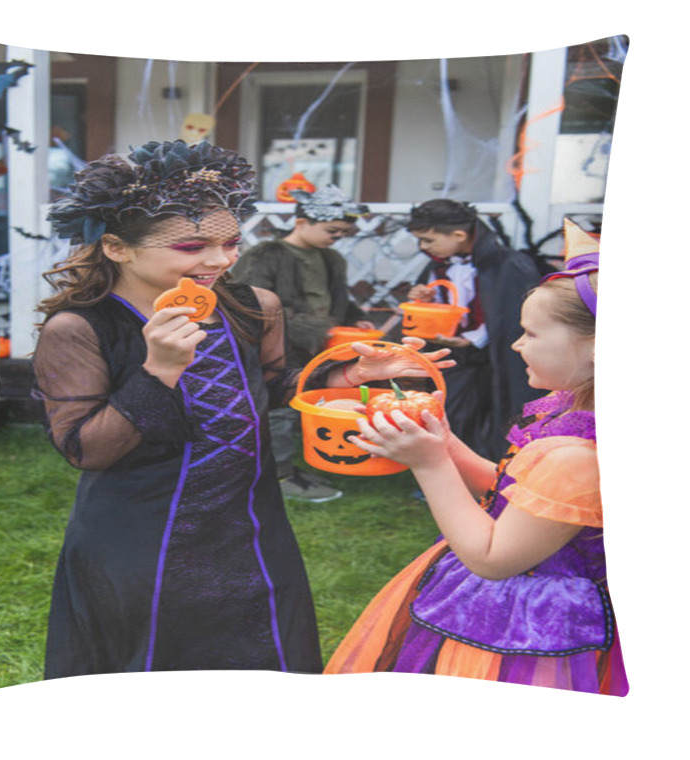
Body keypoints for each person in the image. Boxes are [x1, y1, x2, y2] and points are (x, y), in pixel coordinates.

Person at [34, 140, 451, 677]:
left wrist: (350, 375)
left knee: (262, 660)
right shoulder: (80, 328)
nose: (219, 259)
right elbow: (86, 449)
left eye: (231, 242)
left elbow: (273, 388)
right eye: (190, 246)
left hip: (250, 527)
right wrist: (159, 368)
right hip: (142, 539)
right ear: (116, 247)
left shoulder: (254, 306)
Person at [324, 219, 628, 696]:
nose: (515, 344)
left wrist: (430, 465)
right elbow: (515, 495)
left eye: (530, 333)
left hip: (529, 630)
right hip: (515, 606)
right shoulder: (578, 415)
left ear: (597, 349)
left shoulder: (577, 456)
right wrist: (442, 439)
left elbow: (492, 557)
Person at [231, 185, 375, 502]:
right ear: (301, 222)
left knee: (310, 401)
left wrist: (355, 317)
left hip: (321, 344)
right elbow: (249, 302)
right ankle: (280, 475)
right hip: (277, 345)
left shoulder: (332, 259)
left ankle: (301, 463)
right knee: (278, 409)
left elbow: (339, 298)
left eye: (342, 233)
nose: (336, 237)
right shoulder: (265, 256)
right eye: (331, 230)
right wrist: (314, 329)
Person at [406, 199, 541, 458]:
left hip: (496, 356)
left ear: (459, 235)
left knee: (496, 412)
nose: (422, 247)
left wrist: (473, 338)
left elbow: (512, 313)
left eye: (428, 240)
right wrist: (425, 299)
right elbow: (446, 301)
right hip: (455, 355)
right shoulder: (439, 263)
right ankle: (448, 466)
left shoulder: (509, 264)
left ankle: (492, 470)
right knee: (452, 411)